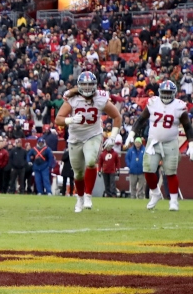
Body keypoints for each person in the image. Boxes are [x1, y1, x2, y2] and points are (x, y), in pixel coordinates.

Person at [56, 71, 122, 212]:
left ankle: (88, 196)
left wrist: (112, 137)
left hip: (93, 135)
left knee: (91, 161)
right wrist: (71, 120)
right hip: (75, 138)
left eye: (90, 84)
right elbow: (58, 119)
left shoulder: (100, 98)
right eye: (84, 84)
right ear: (79, 85)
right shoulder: (72, 98)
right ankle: (80, 198)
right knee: (78, 173)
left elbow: (117, 116)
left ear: (95, 85)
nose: (87, 87)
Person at [125, 80, 193, 211]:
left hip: (171, 142)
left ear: (174, 93)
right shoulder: (153, 103)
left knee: (170, 172)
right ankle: (156, 193)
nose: (166, 95)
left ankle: (174, 201)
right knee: (148, 170)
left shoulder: (179, 106)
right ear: (160, 92)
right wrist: (131, 134)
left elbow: (188, 127)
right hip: (153, 142)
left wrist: (191, 144)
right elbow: (141, 120)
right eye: (164, 92)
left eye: (169, 93)